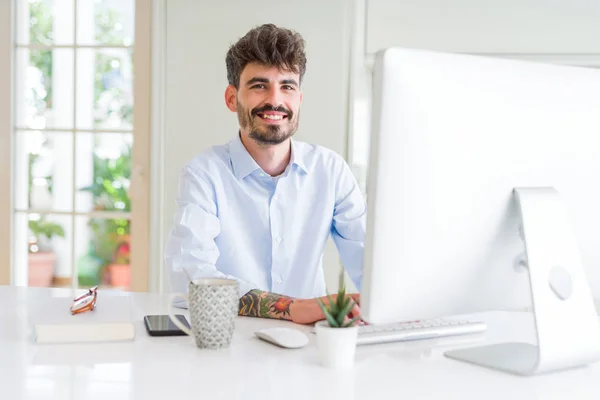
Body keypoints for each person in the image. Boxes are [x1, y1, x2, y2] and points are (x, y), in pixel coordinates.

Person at [165, 24, 366, 325]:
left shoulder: (331, 169)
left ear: (299, 98)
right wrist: (291, 308)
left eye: (287, 86)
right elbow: (191, 275)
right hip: (232, 343)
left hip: (310, 345)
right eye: (259, 85)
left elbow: (368, 260)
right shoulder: (203, 174)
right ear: (232, 98)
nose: (275, 100)